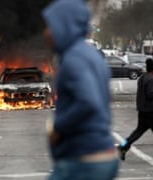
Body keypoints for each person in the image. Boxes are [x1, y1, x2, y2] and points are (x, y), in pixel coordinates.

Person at [42, 0, 119, 179]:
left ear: (64, 25)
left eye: (50, 26)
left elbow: (89, 102)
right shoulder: (91, 55)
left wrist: (58, 128)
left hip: (83, 158)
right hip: (101, 154)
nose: (46, 33)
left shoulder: (74, 58)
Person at [118, 59, 153, 161]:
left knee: (138, 131)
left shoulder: (142, 77)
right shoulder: (151, 79)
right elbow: (150, 94)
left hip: (142, 110)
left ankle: (123, 146)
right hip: (151, 111)